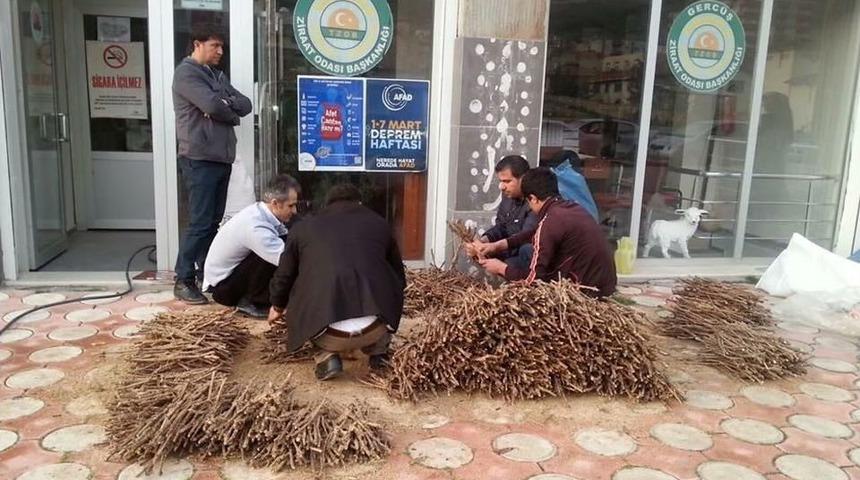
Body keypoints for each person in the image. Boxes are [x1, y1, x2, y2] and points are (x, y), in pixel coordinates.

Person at [268, 184, 406, 381]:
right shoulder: (380, 224)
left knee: (302, 286)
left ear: (327, 204)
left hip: (327, 334)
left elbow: (285, 275)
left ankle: (326, 356)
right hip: (375, 329)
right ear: (359, 203)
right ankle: (378, 351)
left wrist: (277, 305)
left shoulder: (304, 228)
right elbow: (399, 277)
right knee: (386, 281)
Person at [172, 24, 252, 304]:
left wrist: (223, 104)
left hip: (220, 157)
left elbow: (245, 105)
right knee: (200, 222)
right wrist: (225, 107)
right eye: (214, 45)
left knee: (213, 221)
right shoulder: (186, 73)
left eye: (222, 46)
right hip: (199, 158)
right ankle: (183, 279)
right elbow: (214, 107)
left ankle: (205, 274)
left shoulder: (216, 75)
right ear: (197, 44)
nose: (220, 51)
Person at [473, 167, 617, 297]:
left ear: (533, 199)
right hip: (606, 285)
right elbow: (535, 233)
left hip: (586, 291)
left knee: (520, 264)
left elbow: (533, 279)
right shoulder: (572, 208)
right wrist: (498, 245)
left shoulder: (550, 220)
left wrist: (501, 268)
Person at [202, 175, 301, 318]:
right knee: (280, 256)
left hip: (231, 277)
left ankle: (259, 297)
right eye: (290, 206)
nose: (295, 211)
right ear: (275, 203)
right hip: (223, 288)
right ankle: (249, 300)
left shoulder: (262, 212)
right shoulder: (255, 226)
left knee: (286, 243)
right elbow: (287, 260)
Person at [467, 155, 538, 270]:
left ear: (524, 179)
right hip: (509, 252)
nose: (502, 187)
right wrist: (484, 240)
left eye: (507, 181)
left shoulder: (535, 202)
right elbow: (501, 226)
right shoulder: (508, 197)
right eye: (500, 181)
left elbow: (526, 237)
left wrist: (494, 248)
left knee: (522, 253)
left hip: (527, 258)